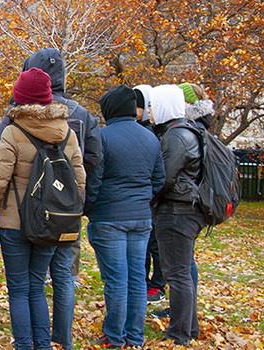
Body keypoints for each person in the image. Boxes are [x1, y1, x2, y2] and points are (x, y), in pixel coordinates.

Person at [0, 48, 102, 350]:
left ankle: (24, 344)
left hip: (15, 221)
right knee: (37, 286)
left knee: (18, 289)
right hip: (52, 220)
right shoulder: (67, 132)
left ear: (20, 97)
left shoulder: (12, 132)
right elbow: (80, 178)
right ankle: (43, 344)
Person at [86, 85, 165, 349]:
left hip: (109, 218)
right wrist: (141, 199)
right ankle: (135, 336)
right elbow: (159, 180)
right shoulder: (151, 139)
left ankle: (115, 337)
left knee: (116, 281)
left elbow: (94, 182)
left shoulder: (102, 137)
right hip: (141, 218)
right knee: (136, 279)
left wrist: (90, 208)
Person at [151, 82, 215, 320]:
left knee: (179, 273)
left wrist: (151, 198)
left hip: (178, 209)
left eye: (152, 105)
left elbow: (166, 177)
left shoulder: (178, 134)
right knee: (183, 270)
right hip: (186, 206)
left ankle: (181, 331)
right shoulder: (187, 131)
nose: (149, 111)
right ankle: (188, 324)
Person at [134, 84, 167, 304]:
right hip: (145, 199)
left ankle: (157, 284)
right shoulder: (144, 130)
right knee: (145, 245)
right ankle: (145, 282)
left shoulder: (154, 133)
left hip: (154, 200)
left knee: (155, 244)